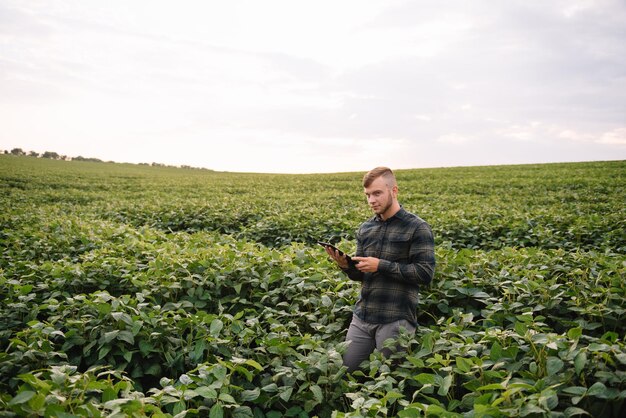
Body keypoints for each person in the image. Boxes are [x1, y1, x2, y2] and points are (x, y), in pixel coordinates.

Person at [324, 166, 435, 372]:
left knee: (390, 379)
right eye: (367, 195)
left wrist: (381, 265)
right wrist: (346, 266)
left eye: (377, 193)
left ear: (394, 191)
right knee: (345, 372)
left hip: (396, 319)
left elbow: (425, 274)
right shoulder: (366, 228)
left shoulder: (417, 228)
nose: (371, 200)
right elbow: (361, 275)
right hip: (363, 315)